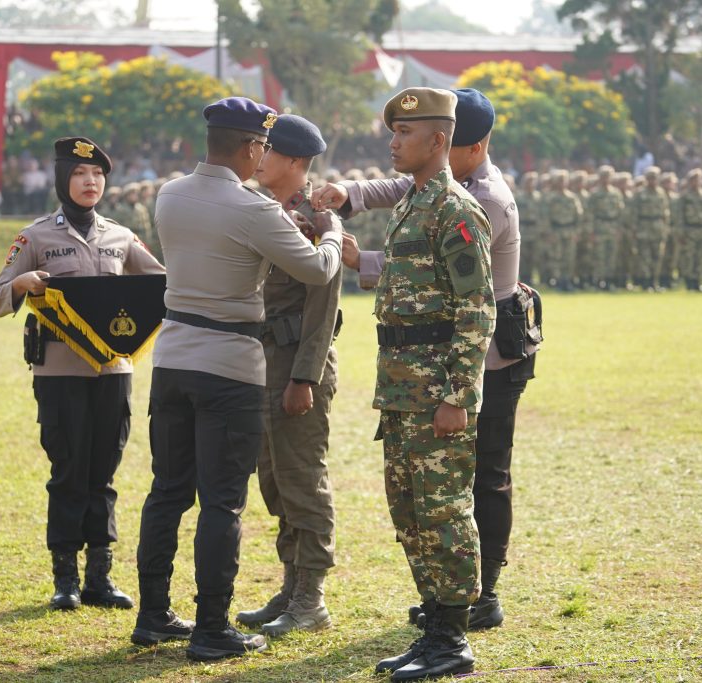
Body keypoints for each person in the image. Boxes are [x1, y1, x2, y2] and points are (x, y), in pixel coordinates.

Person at [314, 88, 538, 639]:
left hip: (465, 371)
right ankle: (441, 614)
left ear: (453, 143)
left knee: (458, 498)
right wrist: (350, 195)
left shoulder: (473, 203)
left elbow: (472, 306)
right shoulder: (422, 195)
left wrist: (458, 395)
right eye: (393, 132)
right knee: (415, 508)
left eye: (405, 134)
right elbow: (400, 189)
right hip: (411, 382)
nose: (393, 143)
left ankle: (462, 618)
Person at [130, 97, 342, 662]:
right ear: (251, 147)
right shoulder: (254, 208)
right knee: (222, 503)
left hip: (172, 358)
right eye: (260, 146)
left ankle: (152, 616)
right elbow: (320, 267)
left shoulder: (169, 193)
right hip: (229, 365)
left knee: (167, 492)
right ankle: (211, 627)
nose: (262, 155)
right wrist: (332, 229)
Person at [0, 136, 165, 612]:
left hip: (113, 370)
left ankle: (99, 580)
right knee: (68, 469)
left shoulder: (121, 237)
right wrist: (22, 284)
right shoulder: (36, 237)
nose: (91, 182)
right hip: (59, 371)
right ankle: (64, 578)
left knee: (104, 471)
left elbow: (159, 283)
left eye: (98, 175)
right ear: (63, 181)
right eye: (81, 175)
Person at [233, 114, 341, 638]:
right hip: (262, 358)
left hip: (299, 360)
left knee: (302, 477)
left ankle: (311, 597)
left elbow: (324, 306)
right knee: (273, 479)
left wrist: (305, 377)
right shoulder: (258, 209)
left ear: (295, 162)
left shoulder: (317, 217)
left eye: (268, 150)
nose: (259, 156)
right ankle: (291, 583)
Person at [627, 166, 670, 290]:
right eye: (650, 178)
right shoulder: (640, 194)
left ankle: (654, 281)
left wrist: (665, 229)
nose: (652, 181)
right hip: (643, 229)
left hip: (658, 229)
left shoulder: (661, 193)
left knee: (657, 257)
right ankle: (645, 282)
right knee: (644, 257)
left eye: (655, 178)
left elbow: (665, 213)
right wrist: (634, 230)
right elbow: (634, 213)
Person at [675, 169, 702, 292]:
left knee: (701, 257)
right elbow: (679, 217)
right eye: (693, 180)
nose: (696, 182)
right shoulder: (684, 197)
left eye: (698, 180)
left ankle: (698, 281)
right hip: (690, 230)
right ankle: (689, 282)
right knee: (689, 258)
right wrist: (681, 233)